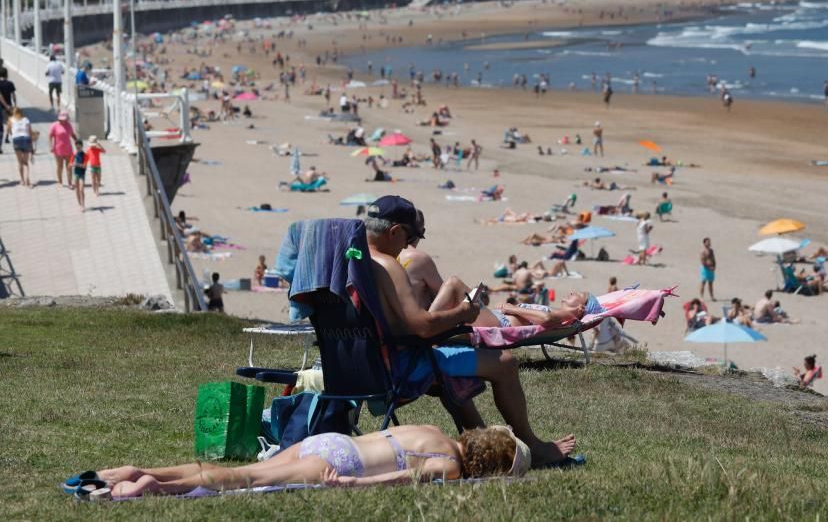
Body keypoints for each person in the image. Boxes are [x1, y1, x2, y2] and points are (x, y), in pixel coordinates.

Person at [362, 196, 575, 466]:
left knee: (453, 363)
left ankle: (486, 447)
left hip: (364, 365)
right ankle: (533, 448)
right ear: (394, 231)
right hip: (401, 368)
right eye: (407, 238)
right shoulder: (388, 265)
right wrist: (463, 313)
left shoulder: (352, 258)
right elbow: (423, 326)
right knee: (504, 363)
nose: (406, 246)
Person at [80, 425, 530, 499]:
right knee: (243, 478)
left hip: (331, 439)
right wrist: (352, 486)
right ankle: (154, 487)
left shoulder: (434, 431)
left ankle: (143, 471)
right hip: (343, 464)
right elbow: (402, 476)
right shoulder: (449, 466)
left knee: (250, 471)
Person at [48, 110, 77, 189]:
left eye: (65, 119)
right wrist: (50, 146)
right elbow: (50, 135)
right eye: (62, 119)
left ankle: (70, 182)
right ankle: (60, 181)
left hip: (68, 149)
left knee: (69, 166)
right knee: (59, 167)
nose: (63, 121)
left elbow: (72, 134)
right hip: (58, 149)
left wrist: (77, 142)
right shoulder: (54, 125)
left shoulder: (69, 125)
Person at [8, 107, 33, 187]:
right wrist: (31, 145)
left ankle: (22, 180)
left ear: (13, 113)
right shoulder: (26, 119)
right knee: (25, 161)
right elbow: (30, 132)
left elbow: (9, 131)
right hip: (26, 139)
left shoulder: (11, 119)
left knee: (20, 161)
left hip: (17, 140)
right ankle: (27, 179)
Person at [0, 63, 16, 154]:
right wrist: (15, 104)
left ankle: (0, 145)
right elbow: (13, 95)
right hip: (9, 107)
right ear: (6, 74)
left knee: (1, 126)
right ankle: (7, 138)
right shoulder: (10, 83)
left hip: (1, 107)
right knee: (10, 123)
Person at [71, 139, 87, 211]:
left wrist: (76, 164)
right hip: (76, 174)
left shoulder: (85, 155)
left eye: (79, 147)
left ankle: (83, 205)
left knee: (81, 189)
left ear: (82, 146)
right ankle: (79, 204)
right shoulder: (74, 154)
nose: (78, 148)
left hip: (82, 174)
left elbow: (84, 166)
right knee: (77, 189)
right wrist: (72, 164)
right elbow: (70, 164)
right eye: (76, 147)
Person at [699, 237, 716, 302]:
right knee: (703, 282)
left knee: (710, 283)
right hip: (705, 269)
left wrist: (714, 266)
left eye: (709, 242)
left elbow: (713, 259)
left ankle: (712, 296)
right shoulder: (703, 251)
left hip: (711, 268)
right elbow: (702, 261)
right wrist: (709, 267)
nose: (709, 243)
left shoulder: (711, 250)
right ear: (704, 243)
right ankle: (701, 297)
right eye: (707, 242)